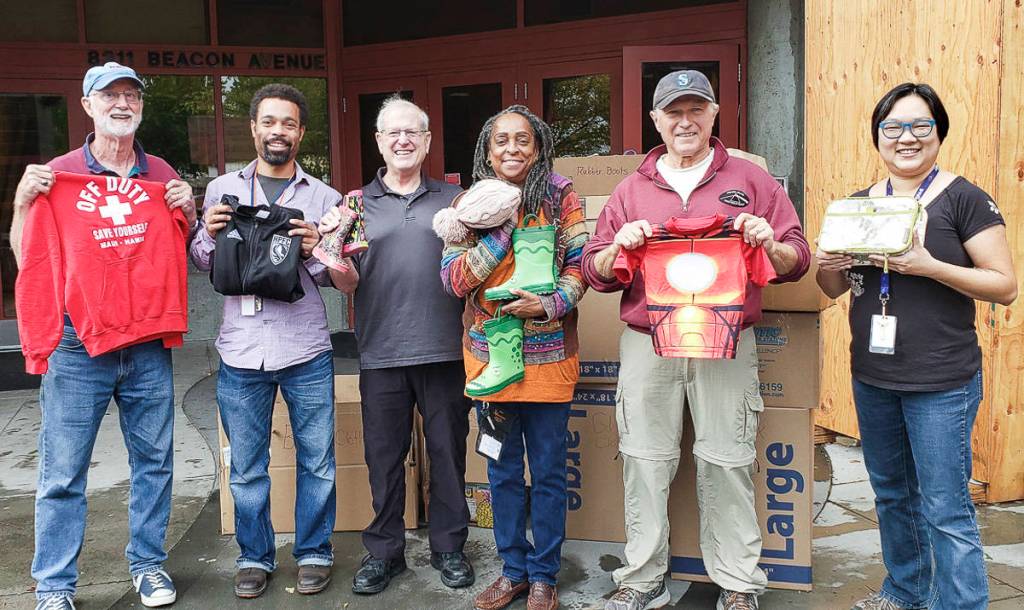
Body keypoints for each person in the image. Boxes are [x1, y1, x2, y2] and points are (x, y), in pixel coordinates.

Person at [581, 70, 810, 610]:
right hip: (648, 341)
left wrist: (768, 241)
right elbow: (592, 268)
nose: (685, 121)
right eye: (673, 112)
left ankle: (736, 582)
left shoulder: (751, 180)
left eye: (696, 109)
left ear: (713, 115)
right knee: (642, 457)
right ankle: (641, 577)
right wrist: (618, 245)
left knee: (727, 459)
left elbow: (797, 257)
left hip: (727, 341)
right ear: (656, 120)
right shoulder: (631, 189)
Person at [815, 83, 1016, 610]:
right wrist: (829, 266)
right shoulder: (859, 206)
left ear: (938, 132)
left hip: (942, 381)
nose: (906, 137)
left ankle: (960, 603)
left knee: (946, 507)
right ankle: (905, 591)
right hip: (874, 376)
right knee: (890, 495)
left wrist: (930, 266)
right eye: (893, 127)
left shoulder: (964, 197)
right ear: (878, 137)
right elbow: (832, 290)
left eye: (920, 125)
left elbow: (1004, 284)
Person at [11, 62, 196, 610]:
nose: (122, 103)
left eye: (131, 95)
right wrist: (22, 203)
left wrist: (186, 210)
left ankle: (148, 564)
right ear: (87, 104)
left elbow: (173, 252)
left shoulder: (159, 170)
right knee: (63, 470)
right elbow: (31, 258)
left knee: (155, 461)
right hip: (77, 344)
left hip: (145, 340)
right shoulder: (57, 174)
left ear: (141, 106)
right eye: (109, 95)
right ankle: (54, 586)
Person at [319, 96, 475, 594]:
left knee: (448, 454)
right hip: (382, 351)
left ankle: (449, 547)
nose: (403, 140)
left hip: (447, 350)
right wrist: (333, 261)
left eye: (414, 132)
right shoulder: (353, 205)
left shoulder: (455, 200)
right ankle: (385, 552)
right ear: (379, 141)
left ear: (427, 142)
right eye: (393, 133)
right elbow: (346, 282)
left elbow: (479, 264)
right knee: (384, 458)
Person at [189, 83, 339, 599]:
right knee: (248, 467)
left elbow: (340, 275)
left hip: (306, 349)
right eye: (270, 122)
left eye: (290, 124)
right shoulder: (219, 191)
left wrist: (319, 249)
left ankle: (315, 551)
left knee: (317, 461)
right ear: (253, 128)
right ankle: (255, 556)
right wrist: (206, 234)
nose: (279, 132)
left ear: (301, 132)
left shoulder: (325, 198)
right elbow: (205, 262)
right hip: (241, 349)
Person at [438, 105, 588, 610]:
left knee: (547, 472)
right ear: (487, 148)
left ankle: (544, 575)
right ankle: (513, 571)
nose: (512, 149)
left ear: (539, 146)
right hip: (489, 368)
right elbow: (454, 280)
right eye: (501, 140)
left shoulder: (561, 196)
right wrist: (500, 228)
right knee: (501, 471)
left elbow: (581, 266)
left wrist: (547, 304)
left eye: (523, 140)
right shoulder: (468, 204)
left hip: (549, 365)